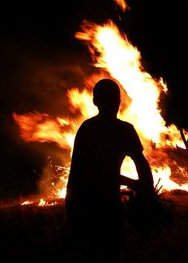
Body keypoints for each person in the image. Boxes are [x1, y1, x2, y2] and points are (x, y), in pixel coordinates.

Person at [65, 78, 156, 263]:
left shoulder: (120, 130)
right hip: (83, 202)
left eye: (115, 98)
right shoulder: (91, 130)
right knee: (94, 252)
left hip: (100, 202)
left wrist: (148, 191)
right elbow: (94, 173)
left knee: (109, 251)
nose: (114, 102)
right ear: (97, 102)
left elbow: (141, 163)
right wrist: (136, 184)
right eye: (111, 98)